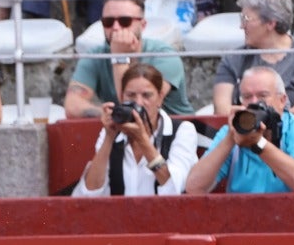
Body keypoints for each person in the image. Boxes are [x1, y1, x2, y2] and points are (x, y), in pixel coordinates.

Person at [73, 63, 199, 196]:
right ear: (121, 97)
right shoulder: (111, 131)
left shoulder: (182, 131)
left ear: (160, 98)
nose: (138, 103)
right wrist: (109, 138)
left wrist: (142, 140)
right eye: (131, 95)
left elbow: (175, 189)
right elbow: (89, 193)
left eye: (147, 95)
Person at [64, 0, 194, 119]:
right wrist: (109, 114)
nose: (115, 28)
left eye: (124, 21)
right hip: (127, 134)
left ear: (142, 25)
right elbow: (72, 106)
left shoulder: (164, 56)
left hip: (176, 132)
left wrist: (120, 57)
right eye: (108, 22)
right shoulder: (95, 56)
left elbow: (135, 108)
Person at [185, 65, 294, 193]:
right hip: (238, 211)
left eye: (262, 96)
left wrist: (259, 144)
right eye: (247, 97)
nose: (254, 103)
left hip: (289, 211)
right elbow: (194, 187)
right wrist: (230, 139)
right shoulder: (230, 131)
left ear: (282, 100)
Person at [212, 0, 294, 114]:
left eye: (246, 19)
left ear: (270, 23)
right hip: (241, 130)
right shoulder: (234, 59)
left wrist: (270, 122)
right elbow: (221, 109)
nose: (241, 26)